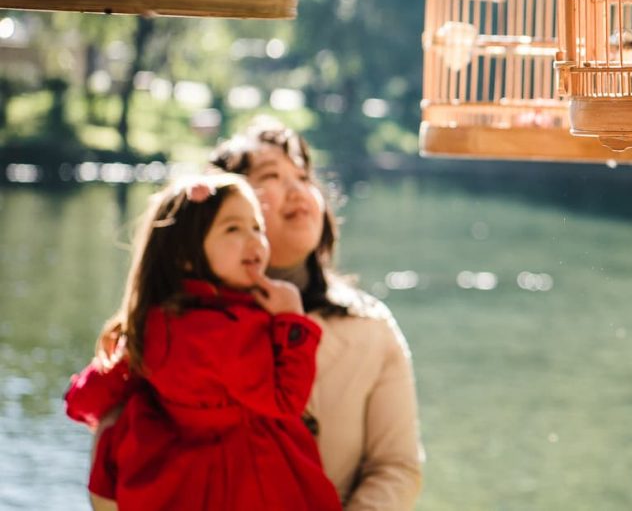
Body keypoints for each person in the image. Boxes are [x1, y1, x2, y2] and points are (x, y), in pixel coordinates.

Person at [65, 173, 342, 511]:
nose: (253, 239)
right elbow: (286, 400)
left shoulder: (154, 319)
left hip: (178, 479)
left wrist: (81, 396)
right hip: (251, 477)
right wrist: (293, 320)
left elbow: (93, 395)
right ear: (185, 254)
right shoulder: (232, 328)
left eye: (256, 227)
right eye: (233, 229)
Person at [208, 118, 423, 510]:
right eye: (271, 175)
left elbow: (396, 467)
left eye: (304, 177)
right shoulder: (183, 319)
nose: (297, 189)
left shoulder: (371, 328)